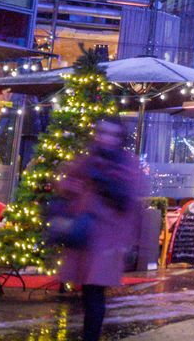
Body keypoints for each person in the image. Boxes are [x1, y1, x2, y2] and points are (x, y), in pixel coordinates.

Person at [55, 120, 145, 341]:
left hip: (107, 239)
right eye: (103, 132)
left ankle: (90, 337)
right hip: (85, 234)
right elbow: (66, 182)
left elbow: (130, 201)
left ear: (119, 138)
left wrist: (102, 181)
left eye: (112, 134)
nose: (106, 138)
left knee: (94, 292)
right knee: (89, 292)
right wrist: (71, 188)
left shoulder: (126, 164)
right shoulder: (88, 160)